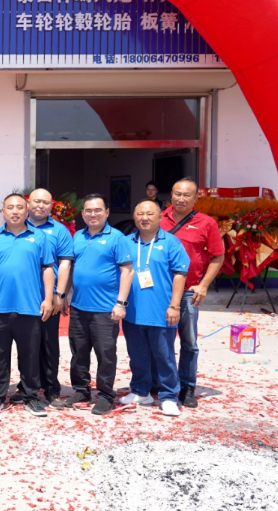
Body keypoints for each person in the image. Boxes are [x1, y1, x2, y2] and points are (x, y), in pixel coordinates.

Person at [155, 177, 225, 408]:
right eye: (177, 194)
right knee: (157, 339)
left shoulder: (207, 223)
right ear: (171, 195)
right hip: (158, 291)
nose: (181, 198)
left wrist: (203, 285)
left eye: (187, 195)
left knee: (189, 341)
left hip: (188, 292)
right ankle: (158, 382)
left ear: (195, 198)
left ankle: (187, 386)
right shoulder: (157, 217)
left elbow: (218, 256)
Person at [0, 193, 55, 417]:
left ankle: (30, 396)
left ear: (27, 211)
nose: (15, 211)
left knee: (30, 355)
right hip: (0, 308)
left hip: (30, 307)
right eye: (10, 207)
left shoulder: (39, 237)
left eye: (19, 207)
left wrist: (48, 298)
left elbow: (47, 268)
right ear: (3, 211)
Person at [64, 194, 134, 415]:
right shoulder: (77, 237)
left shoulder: (117, 238)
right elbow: (71, 268)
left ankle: (105, 395)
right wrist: (64, 294)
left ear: (106, 212)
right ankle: (81, 391)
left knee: (105, 355)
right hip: (78, 307)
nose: (92, 214)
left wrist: (120, 303)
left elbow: (127, 271)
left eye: (97, 210)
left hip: (105, 309)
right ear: (83, 213)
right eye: (88, 210)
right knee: (78, 353)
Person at [120, 200, 190, 417]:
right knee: (137, 355)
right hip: (132, 312)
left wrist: (174, 306)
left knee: (164, 357)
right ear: (134, 217)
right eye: (140, 213)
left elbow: (180, 275)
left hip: (161, 312)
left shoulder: (171, 243)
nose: (145, 218)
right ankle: (141, 391)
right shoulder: (126, 242)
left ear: (160, 217)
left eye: (150, 214)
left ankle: (169, 396)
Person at [9, 189, 73, 408]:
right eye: (36, 201)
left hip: (48, 297)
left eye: (45, 202)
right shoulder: (17, 226)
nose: (40, 206)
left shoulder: (59, 230)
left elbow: (65, 264)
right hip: (22, 297)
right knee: (26, 346)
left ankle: (52, 388)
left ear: (52, 206)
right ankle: (27, 385)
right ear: (28, 204)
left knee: (48, 344)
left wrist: (59, 294)